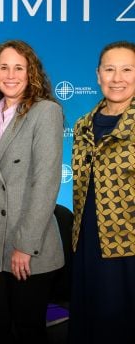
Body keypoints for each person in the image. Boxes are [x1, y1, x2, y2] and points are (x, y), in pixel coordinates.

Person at [0, 39, 64, 344]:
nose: (10, 75)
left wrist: (25, 246)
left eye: (19, 68)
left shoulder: (45, 111)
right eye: (4, 67)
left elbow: (46, 182)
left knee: (28, 331)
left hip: (28, 246)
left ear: (31, 73)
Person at [69, 41, 135, 344]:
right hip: (89, 244)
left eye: (127, 70)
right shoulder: (83, 125)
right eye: (110, 69)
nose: (117, 78)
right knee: (91, 321)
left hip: (129, 249)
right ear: (98, 75)